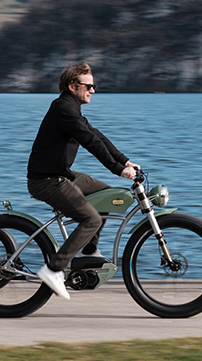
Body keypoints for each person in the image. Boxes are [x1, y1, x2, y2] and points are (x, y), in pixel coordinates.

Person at [26, 62, 138, 300]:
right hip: (46, 180)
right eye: (88, 86)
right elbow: (89, 141)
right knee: (91, 219)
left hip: (60, 174)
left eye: (93, 86)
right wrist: (118, 169)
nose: (93, 90)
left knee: (109, 196)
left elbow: (97, 135)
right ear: (72, 86)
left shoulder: (71, 109)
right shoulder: (63, 109)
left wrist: (125, 161)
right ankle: (53, 269)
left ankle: (88, 252)